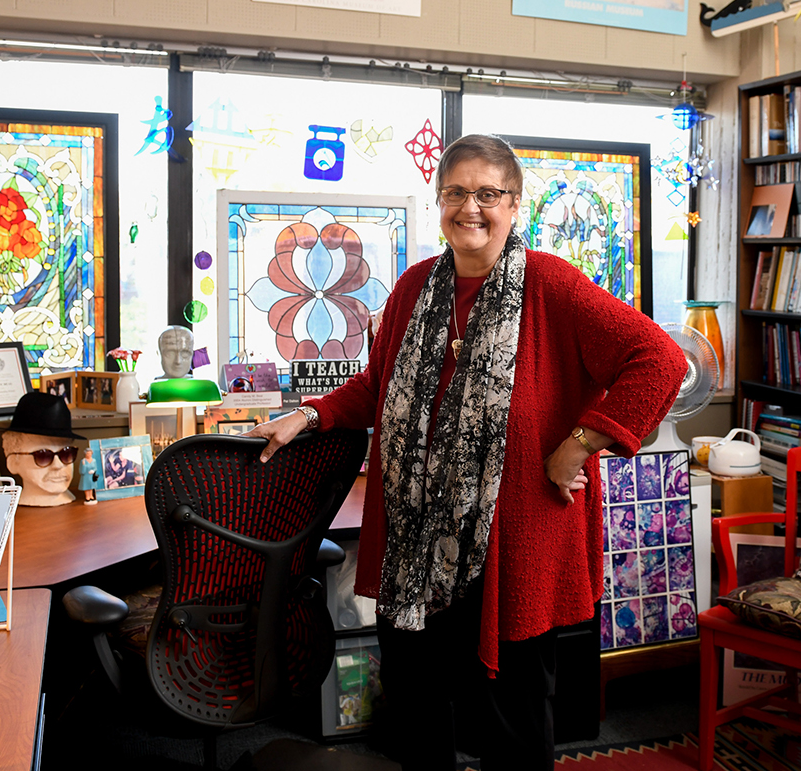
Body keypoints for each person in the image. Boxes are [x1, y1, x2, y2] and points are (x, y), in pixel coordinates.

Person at [246, 134, 685, 771]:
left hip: (512, 539)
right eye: (456, 192)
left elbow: (660, 359)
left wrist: (581, 443)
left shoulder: (551, 286)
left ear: (515, 203)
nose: (470, 207)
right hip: (415, 540)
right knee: (419, 709)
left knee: (512, 716)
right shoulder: (414, 288)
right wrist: (310, 413)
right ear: (439, 201)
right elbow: (377, 384)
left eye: (488, 193)